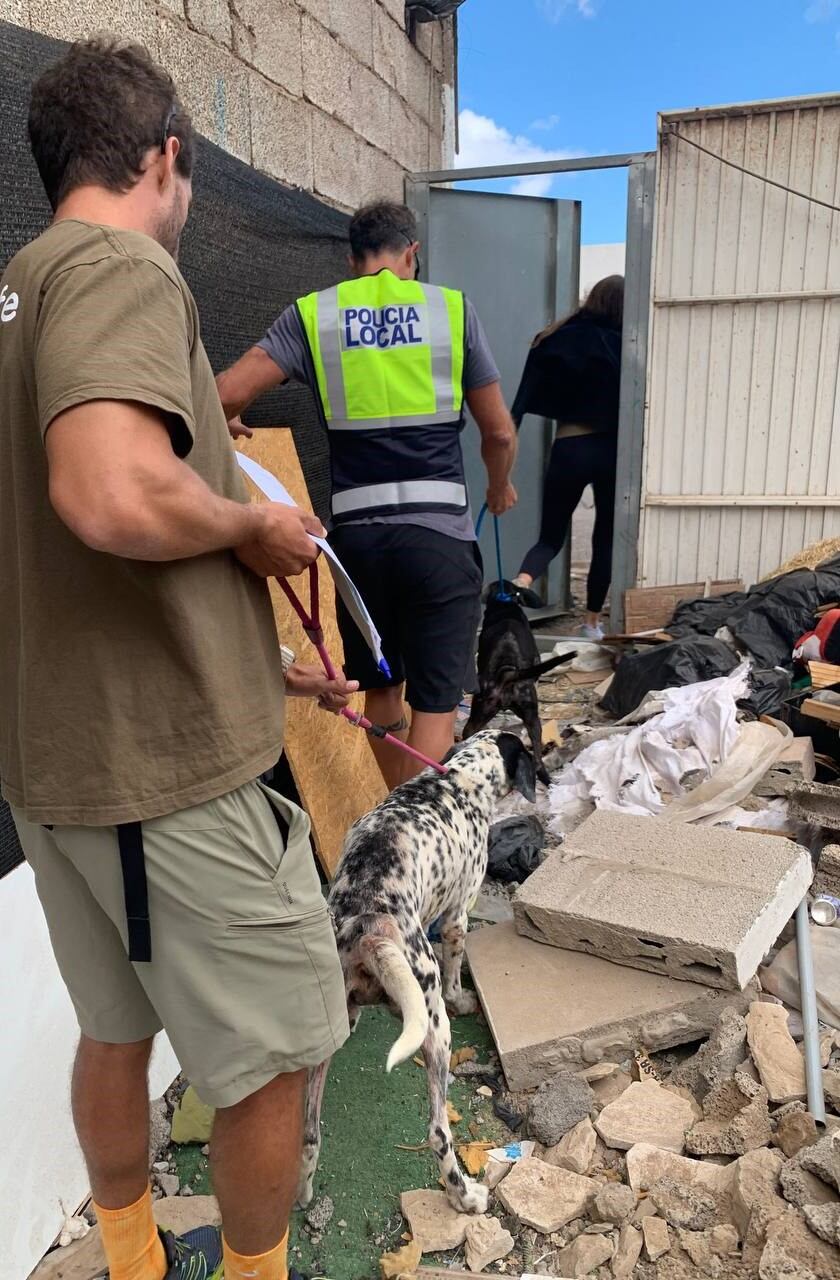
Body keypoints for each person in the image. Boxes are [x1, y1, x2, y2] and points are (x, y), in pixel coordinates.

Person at [0, 37, 355, 1280]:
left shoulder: (18, 288)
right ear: (167, 158)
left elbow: (69, 551)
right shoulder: (121, 268)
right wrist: (252, 524)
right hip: (165, 774)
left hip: (58, 765)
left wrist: (268, 669)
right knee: (281, 1048)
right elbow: (105, 492)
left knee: (114, 1026)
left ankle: (134, 1257)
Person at [217, 202, 518, 790]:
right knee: (435, 699)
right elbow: (500, 432)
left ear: (353, 260)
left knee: (381, 685)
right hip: (440, 542)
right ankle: (416, 834)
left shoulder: (314, 316)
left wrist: (229, 416)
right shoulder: (451, 311)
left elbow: (224, 391)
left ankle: (391, 812)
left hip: (357, 547)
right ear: (412, 253)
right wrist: (501, 485)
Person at [509, 275, 624, 641]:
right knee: (604, 538)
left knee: (550, 537)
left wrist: (504, 455)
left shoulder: (556, 337)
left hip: (570, 447)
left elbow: (522, 401)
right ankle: (591, 623)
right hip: (611, 451)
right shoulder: (627, 343)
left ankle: (519, 582)